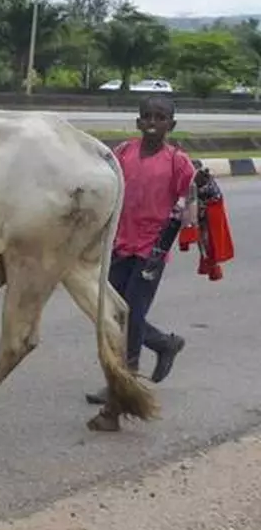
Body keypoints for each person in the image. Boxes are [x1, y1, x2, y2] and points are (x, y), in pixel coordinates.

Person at [85, 95, 192, 406]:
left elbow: (192, 199)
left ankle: (124, 383)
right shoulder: (123, 153)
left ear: (170, 125)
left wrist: (189, 219)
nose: (152, 123)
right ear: (137, 121)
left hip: (151, 250)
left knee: (130, 314)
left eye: (159, 118)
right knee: (113, 313)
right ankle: (163, 343)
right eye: (146, 117)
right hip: (120, 244)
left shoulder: (177, 162)